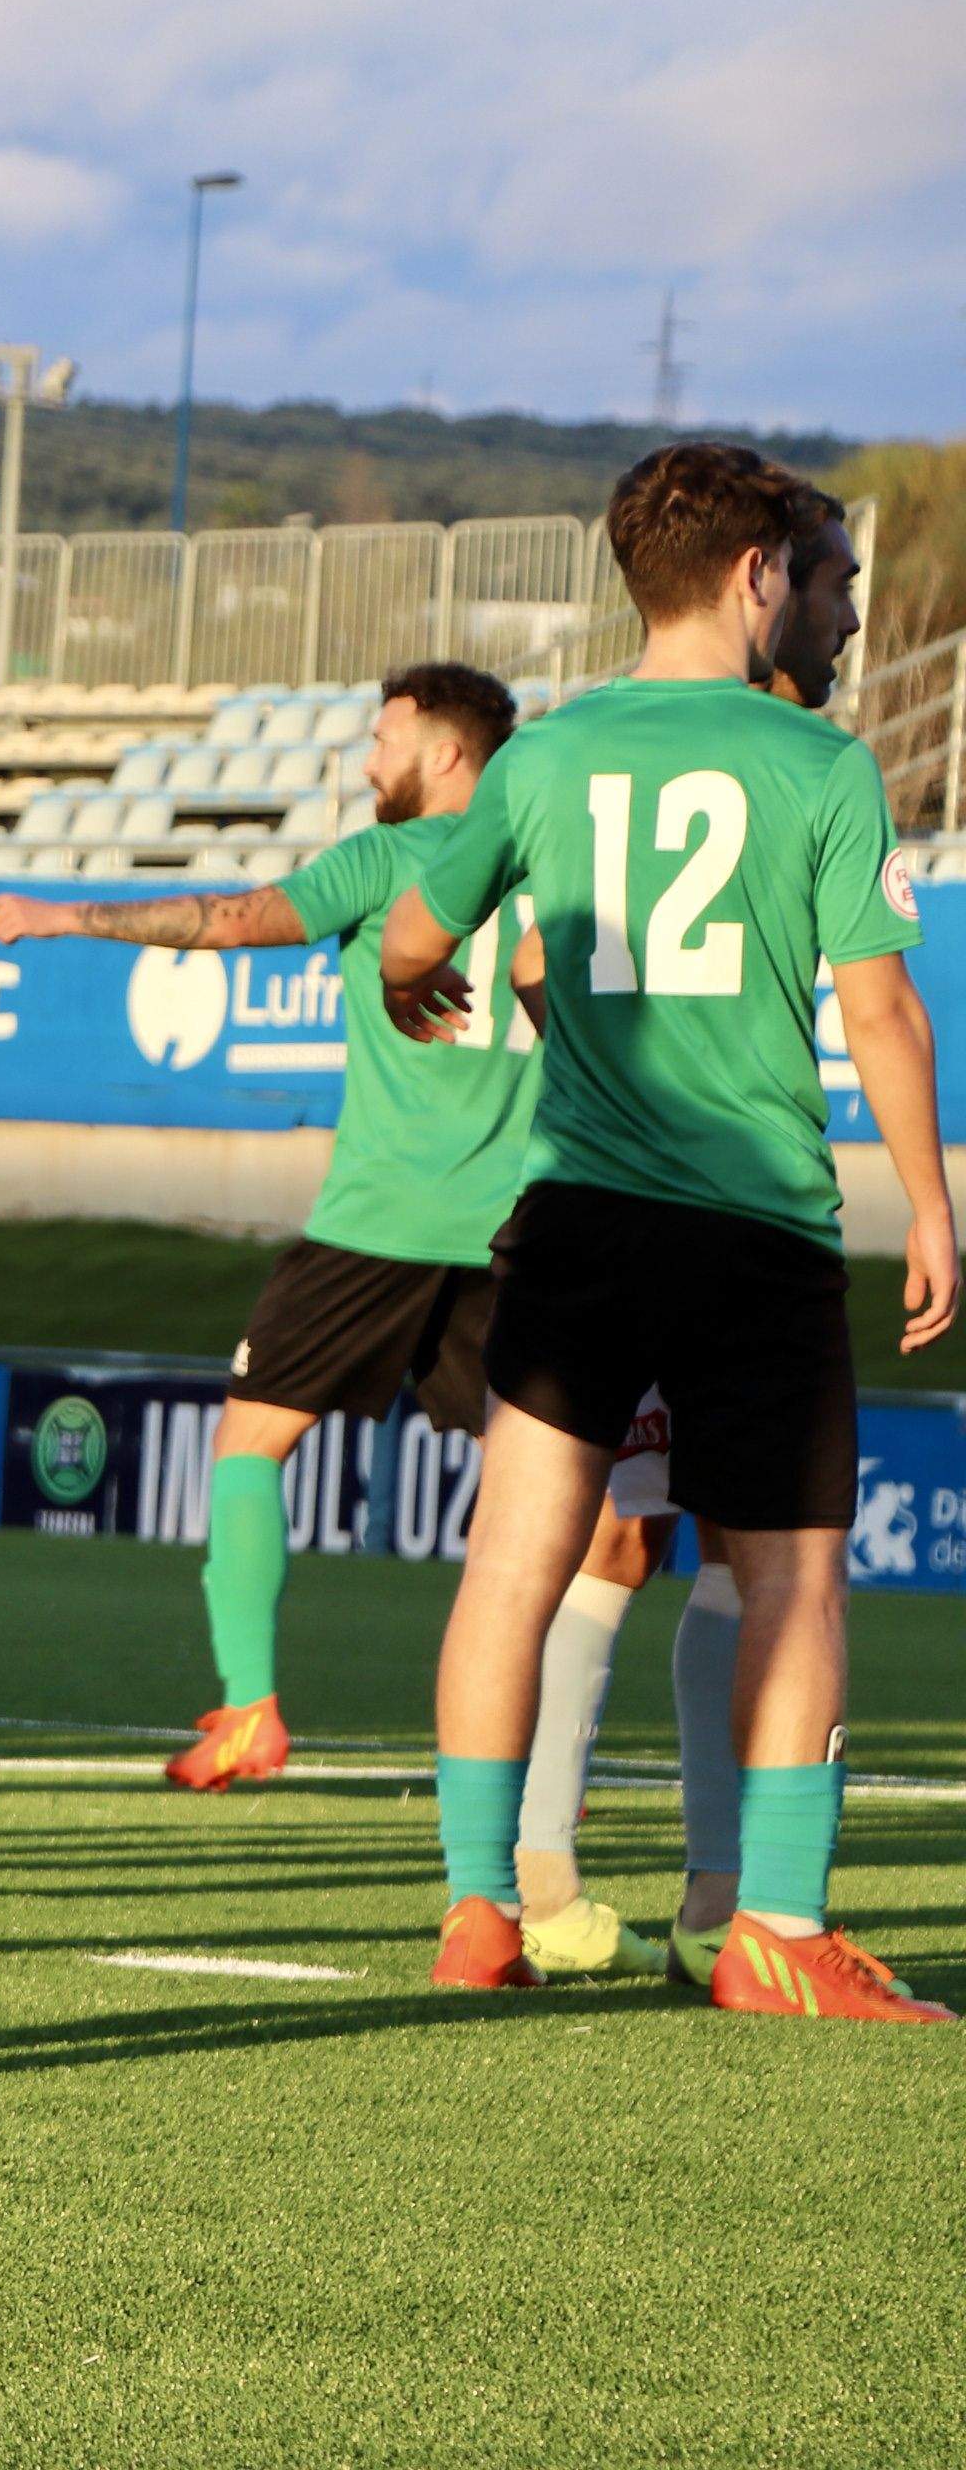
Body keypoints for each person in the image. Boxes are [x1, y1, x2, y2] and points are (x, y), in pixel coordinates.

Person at [387, 440, 955, 2019]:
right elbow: (884, 1009)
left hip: (576, 1218)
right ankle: (772, 1923)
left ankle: (480, 1910)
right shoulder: (819, 765)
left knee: (513, 1559)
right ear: (757, 576)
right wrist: (929, 1200)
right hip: (752, 1223)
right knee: (790, 1577)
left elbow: (428, 930)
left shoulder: (545, 757)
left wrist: (399, 977)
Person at [0, 666, 573, 1808]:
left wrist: (70, 916)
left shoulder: (384, 864)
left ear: (447, 755)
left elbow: (233, 920)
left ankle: (251, 1709)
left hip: (379, 1223)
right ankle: (541, 1746)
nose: (365, 758)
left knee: (248, 1448)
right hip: (515, 1231)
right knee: (542, 1492)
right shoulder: (548, 876)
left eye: (384, 737)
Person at [495, 483, 874, 1986]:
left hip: (686, 1212)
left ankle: (722, 1893)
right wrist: (634, 1083)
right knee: (622, 1528)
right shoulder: (753, 749)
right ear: (760, 582)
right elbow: (535, 956)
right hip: (666, 1208)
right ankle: (543, 1872)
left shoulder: (790, 752)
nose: (845, 613)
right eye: (833, 580)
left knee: (713, 1537)